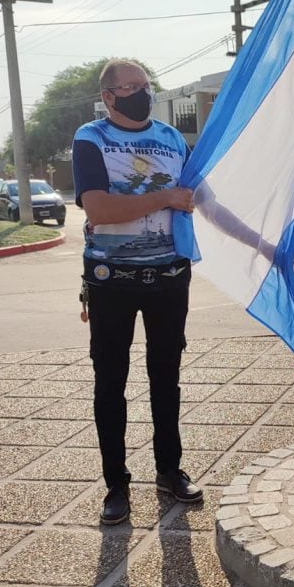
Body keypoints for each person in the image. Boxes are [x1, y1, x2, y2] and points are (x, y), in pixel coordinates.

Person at [73, 58, 203, 526]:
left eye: (143, 85)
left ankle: (169, 470)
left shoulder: (172, 139)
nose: (138, 93)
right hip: (111, 280)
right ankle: (116, 484)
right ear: (108, 97)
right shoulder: (91, 138)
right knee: (111, 382)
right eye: (128, 87)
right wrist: (164, 197)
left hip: (169, 276)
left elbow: (197, 197)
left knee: (166, 377)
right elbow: (100, 209)